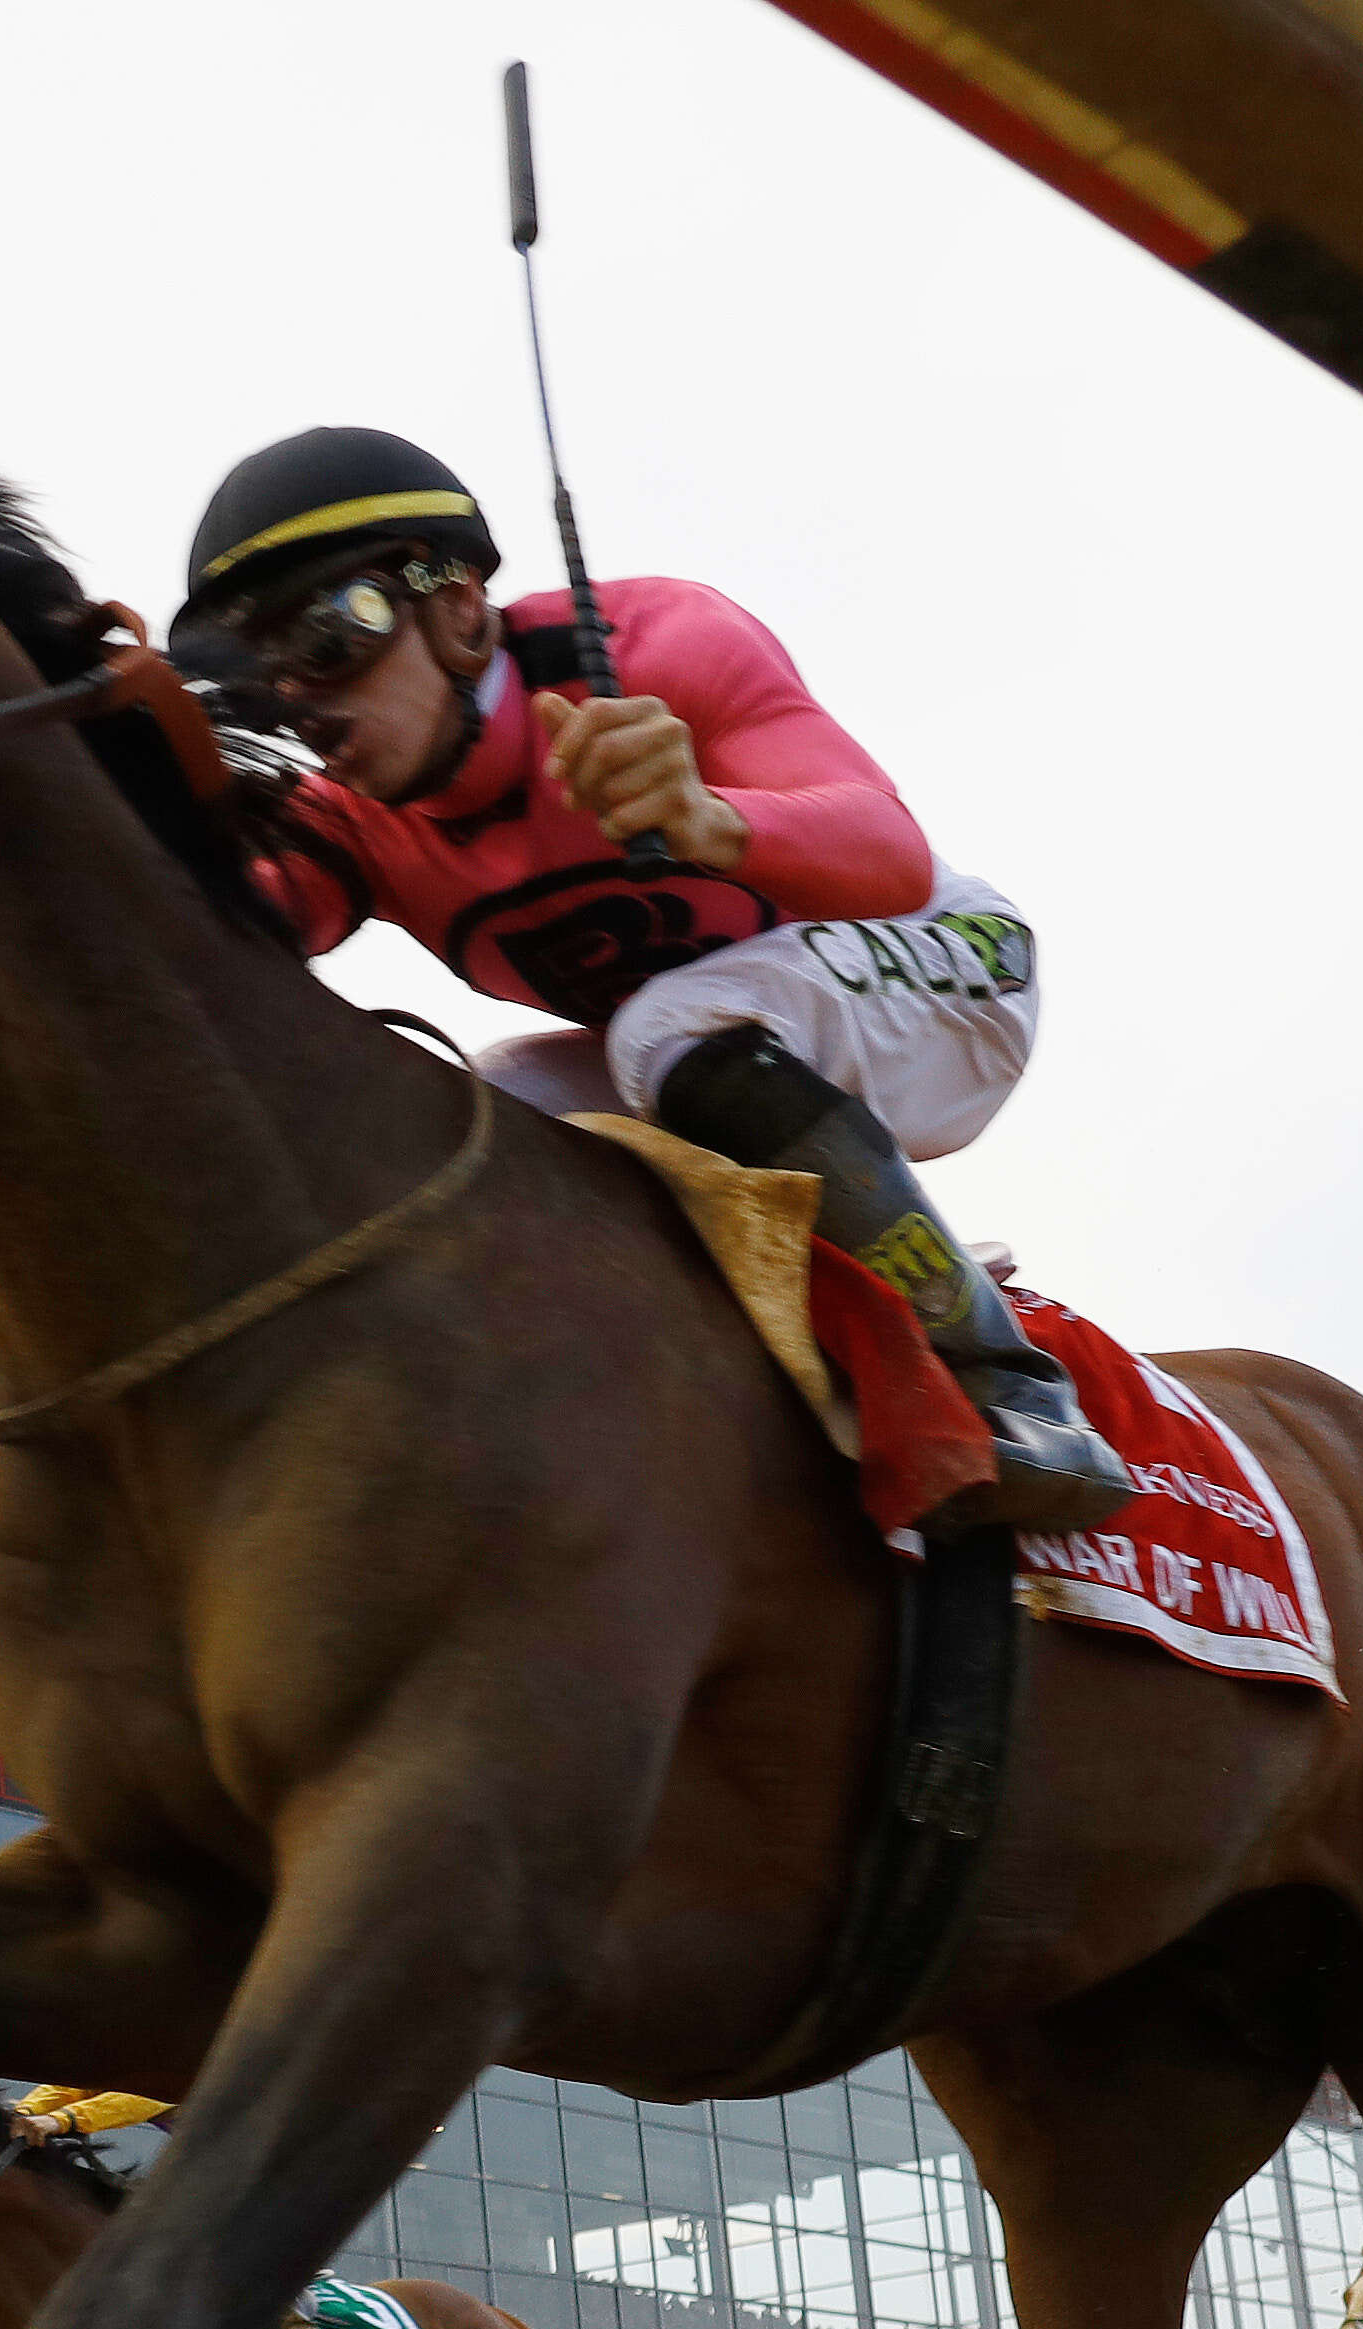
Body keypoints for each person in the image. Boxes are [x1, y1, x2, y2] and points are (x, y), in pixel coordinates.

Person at [172, 429, 1124, 1531]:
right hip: (708, 1044)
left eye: (331, 637)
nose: (307, 704)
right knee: (474, 1118)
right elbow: (200, 958)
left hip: (949, 959)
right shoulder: (347, 822)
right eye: (266, 679)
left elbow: (890, 855)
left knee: (665, 1028)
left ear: (459, 605)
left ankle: (1009, 1388)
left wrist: (715, 821)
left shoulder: (658, 642)